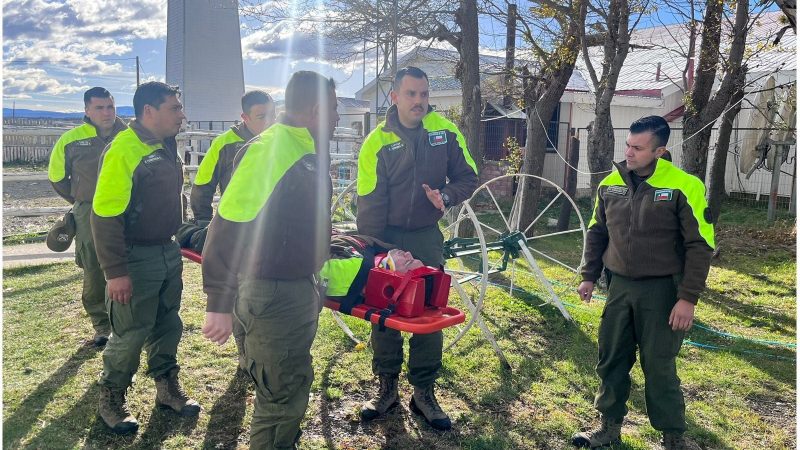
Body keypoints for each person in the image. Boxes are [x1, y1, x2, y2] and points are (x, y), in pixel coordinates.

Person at [201, 71, 339, 450]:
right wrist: (218, 302)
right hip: (273, 293)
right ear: (316, 110)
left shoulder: (304, 145)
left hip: (291, 287)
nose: (339, 119)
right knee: (282, 398)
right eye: (335, 110)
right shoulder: (273, 149)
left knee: (282, 387)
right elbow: (227, 224)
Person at [571, 116, 715, 450]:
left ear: (660, 150)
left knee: (659, 364)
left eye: (638, 148)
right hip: (619, 287)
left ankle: (673, 436)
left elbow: (700, 245)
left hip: (663, 291)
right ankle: (608, 428)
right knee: (611, 358)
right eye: (628, 145)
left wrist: (688, 298)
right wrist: (589, 275)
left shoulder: (683, 186)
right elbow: (597, 231)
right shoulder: (611, 183)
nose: (629, 153)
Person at [355, 66, 479, 430]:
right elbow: (368, 201)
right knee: (384, 311)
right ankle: (386, 387)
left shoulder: (444, 131)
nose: (419, 102)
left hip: (426, 236)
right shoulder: (376, 142)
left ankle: (424, 392)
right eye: (411, 94)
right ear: (394, 96)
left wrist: (445, 195)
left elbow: (468, 176)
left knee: (431, 312)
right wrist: (380, 251)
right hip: (387, 237)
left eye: (424, 94)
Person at [92, 81, 199, 434]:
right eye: (174, 108)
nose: (182, 114)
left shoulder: (164, 143)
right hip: (134, 256)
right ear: (149, 111)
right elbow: (104, 215)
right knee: (130, 331)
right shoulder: (125, 148)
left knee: (168, 322)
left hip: (166, 251)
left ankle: (167, 388)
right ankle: (111, 397)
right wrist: (115, 272)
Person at [47, 87, 127, 347]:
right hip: (89, 210)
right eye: (99, 108)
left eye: (110, 107)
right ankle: (102, 325)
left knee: (132, 261)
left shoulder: (130, 136)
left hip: (127, 209)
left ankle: (128, 319)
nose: (107, 113)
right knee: (94, 265)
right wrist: (80, 202)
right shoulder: (71, 139)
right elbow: (57, 177)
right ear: (87, 110)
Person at [190, 90, 276, 221]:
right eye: (261, 117)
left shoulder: (282, 139)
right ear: (245, 118)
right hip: (237, 226)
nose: (270, 121)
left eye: (272, 115)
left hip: (276, 224)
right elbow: (203, 186)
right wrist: (203, 223)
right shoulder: (224, 143)